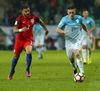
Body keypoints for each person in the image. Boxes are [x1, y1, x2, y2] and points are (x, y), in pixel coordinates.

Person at [8, 4, 49, 80]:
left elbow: (40, 22)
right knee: (16, 56)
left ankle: (27, 69)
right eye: (26, 11)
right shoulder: (19, 18)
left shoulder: (33, 17)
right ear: (22, 11)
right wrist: (21, 30)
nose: (27, 13)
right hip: (19, 40)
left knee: (29, 51)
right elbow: (14, 30)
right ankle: (12, 71)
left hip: (28, 39)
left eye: (28, 11)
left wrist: (46, 29)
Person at [56, 4, 93, 78]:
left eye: (72, 12)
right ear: (67, 12)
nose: (71, 14)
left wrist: (88, 33)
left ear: (75, 11)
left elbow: (83, 26)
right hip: (69, 42)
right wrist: (64, 32)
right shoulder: (64, 19)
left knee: (77, 53)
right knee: (71, 59)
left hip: (77, 39)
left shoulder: (79, 18)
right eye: (70, 13)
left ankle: (82, 73)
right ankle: (74, 68)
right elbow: (57, 29)